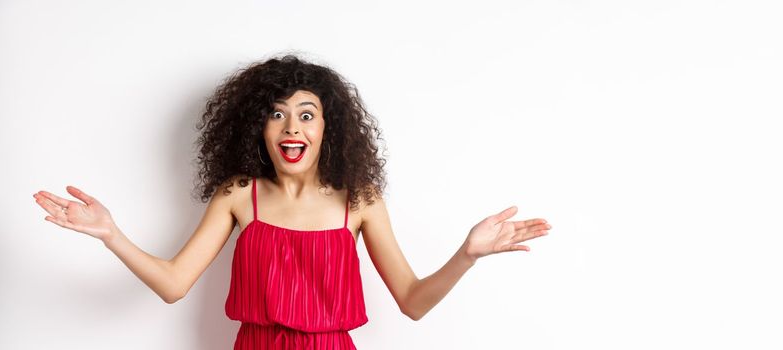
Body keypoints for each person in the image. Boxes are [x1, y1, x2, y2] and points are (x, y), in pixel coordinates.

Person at [32, 54, 551, 349]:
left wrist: (467, 254)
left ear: (329, 128)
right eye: (276, 114)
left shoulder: (360, 202)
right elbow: (173, 285)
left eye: (307, 114)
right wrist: (110, 235)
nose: (291, 126)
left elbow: (413, 302)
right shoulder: (239, 195)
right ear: (258, 127)